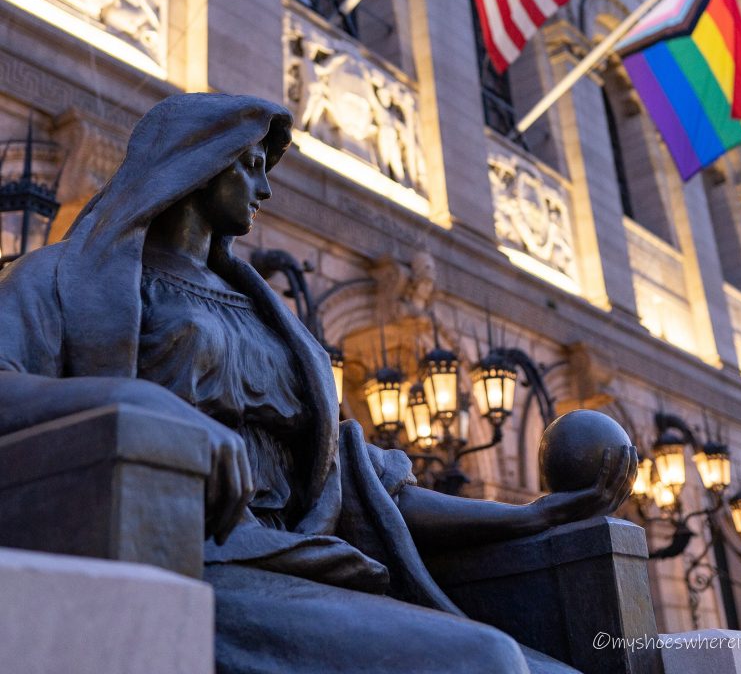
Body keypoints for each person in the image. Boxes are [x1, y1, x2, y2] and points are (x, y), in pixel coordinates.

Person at [0, 94, 635, 674]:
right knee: (487, 661)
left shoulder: (267, 314)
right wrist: (133, 400)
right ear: (196, 163)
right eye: (250, 164)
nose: (266, 187)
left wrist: (526, 518)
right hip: (186, 556)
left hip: (301, 561)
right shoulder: (64, 278)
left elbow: (362, 486)